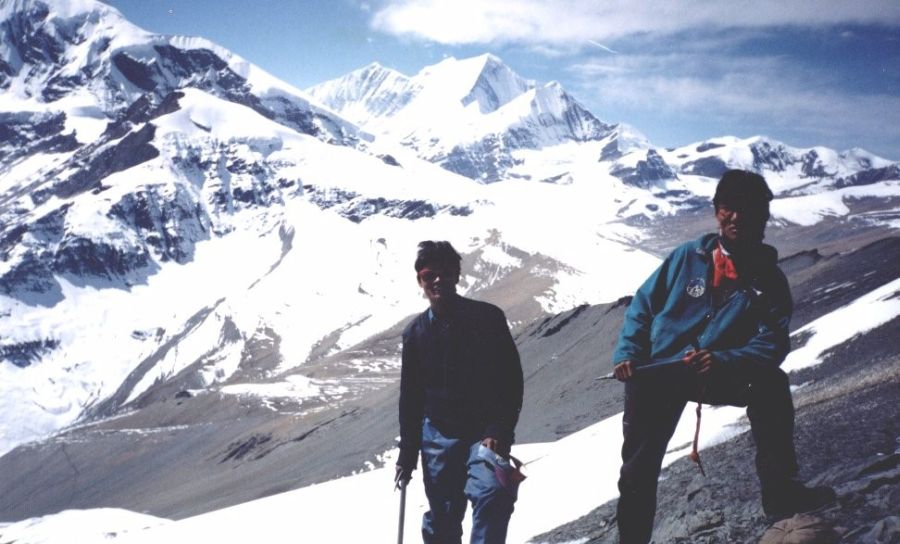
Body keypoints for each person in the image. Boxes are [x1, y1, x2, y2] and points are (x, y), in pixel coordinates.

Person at [611, 170, 836, 543]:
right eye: (729, 208)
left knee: (771, 385)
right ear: (717, 212)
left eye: (748, 210)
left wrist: (726, 360)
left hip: (712, 372)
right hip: (657, 371)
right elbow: (643, 306)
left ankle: (780, 493)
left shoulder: (770, 282)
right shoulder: (687, 257)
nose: (737, 218)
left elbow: (772, 344)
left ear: (763, 218)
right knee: (637, 469)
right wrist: (629, 352)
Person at [395, 240, 524, 544]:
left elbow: (511, 379)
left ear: (457, 275)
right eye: (430, 275)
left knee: (493, 494)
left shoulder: (487, 319)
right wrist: (407, 453)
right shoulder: (414, 334)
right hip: (438, 436)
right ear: (420, 281)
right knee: (444, 516)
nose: (438, 280)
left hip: (485, 433)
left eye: (447, 272)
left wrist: (499, 429)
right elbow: (411, 398)